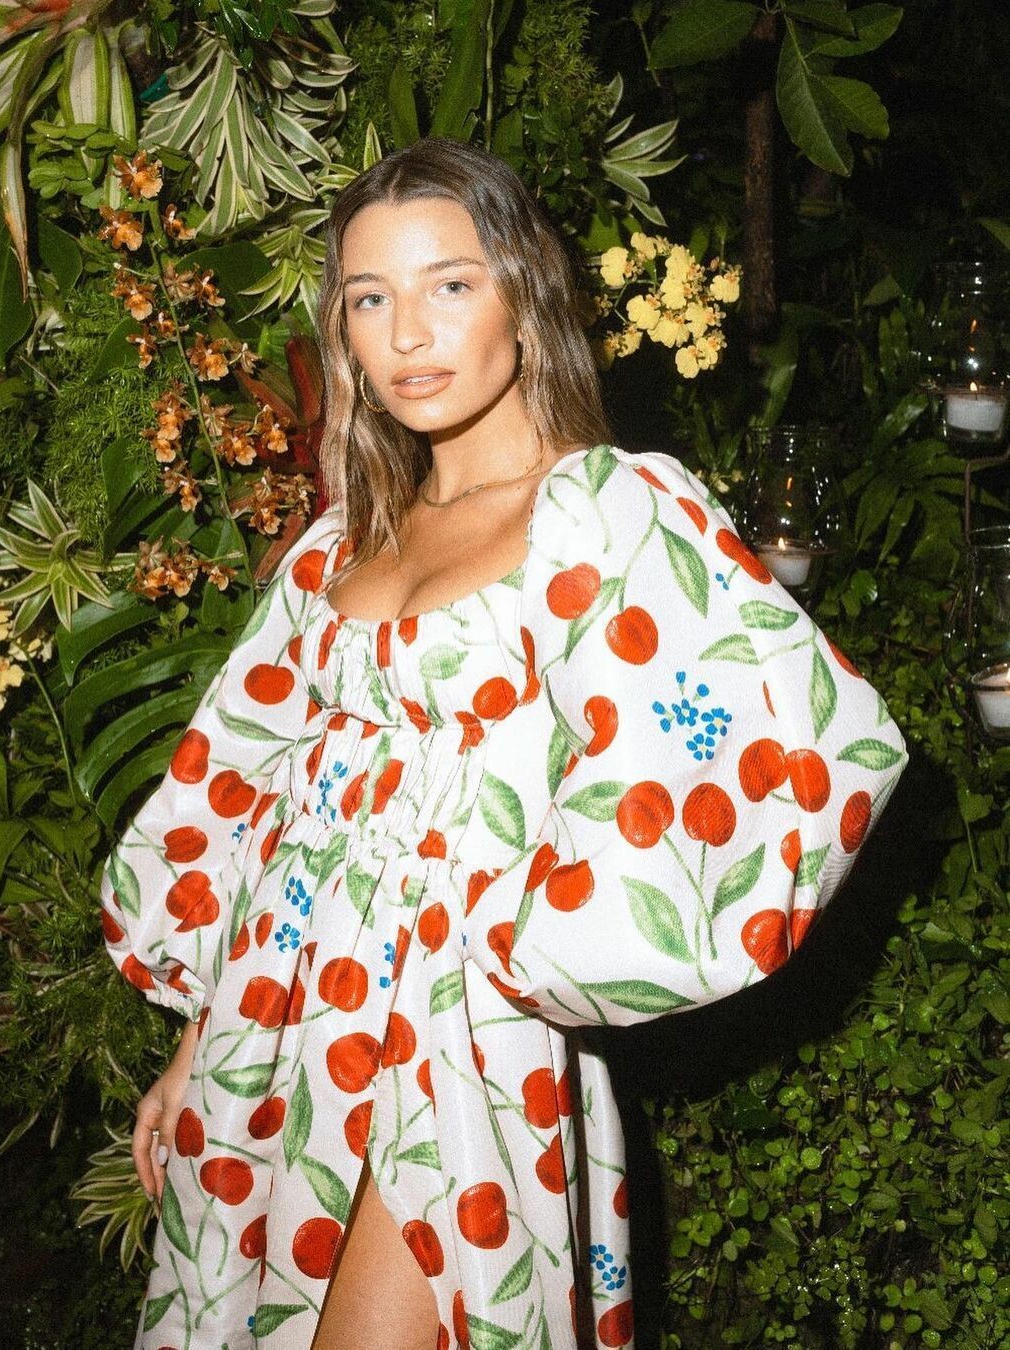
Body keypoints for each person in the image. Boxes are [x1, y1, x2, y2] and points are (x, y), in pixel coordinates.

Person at [101, 136, 909, 1350]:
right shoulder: (335, 548)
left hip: (461, 1029)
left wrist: (548, 942)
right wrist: (195, 1043)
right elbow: (255, 797)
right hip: (279, 1018)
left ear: (524, 295)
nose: (408, 333)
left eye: (449, 284)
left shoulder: (604, 511)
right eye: (370, 298)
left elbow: (805, 744)